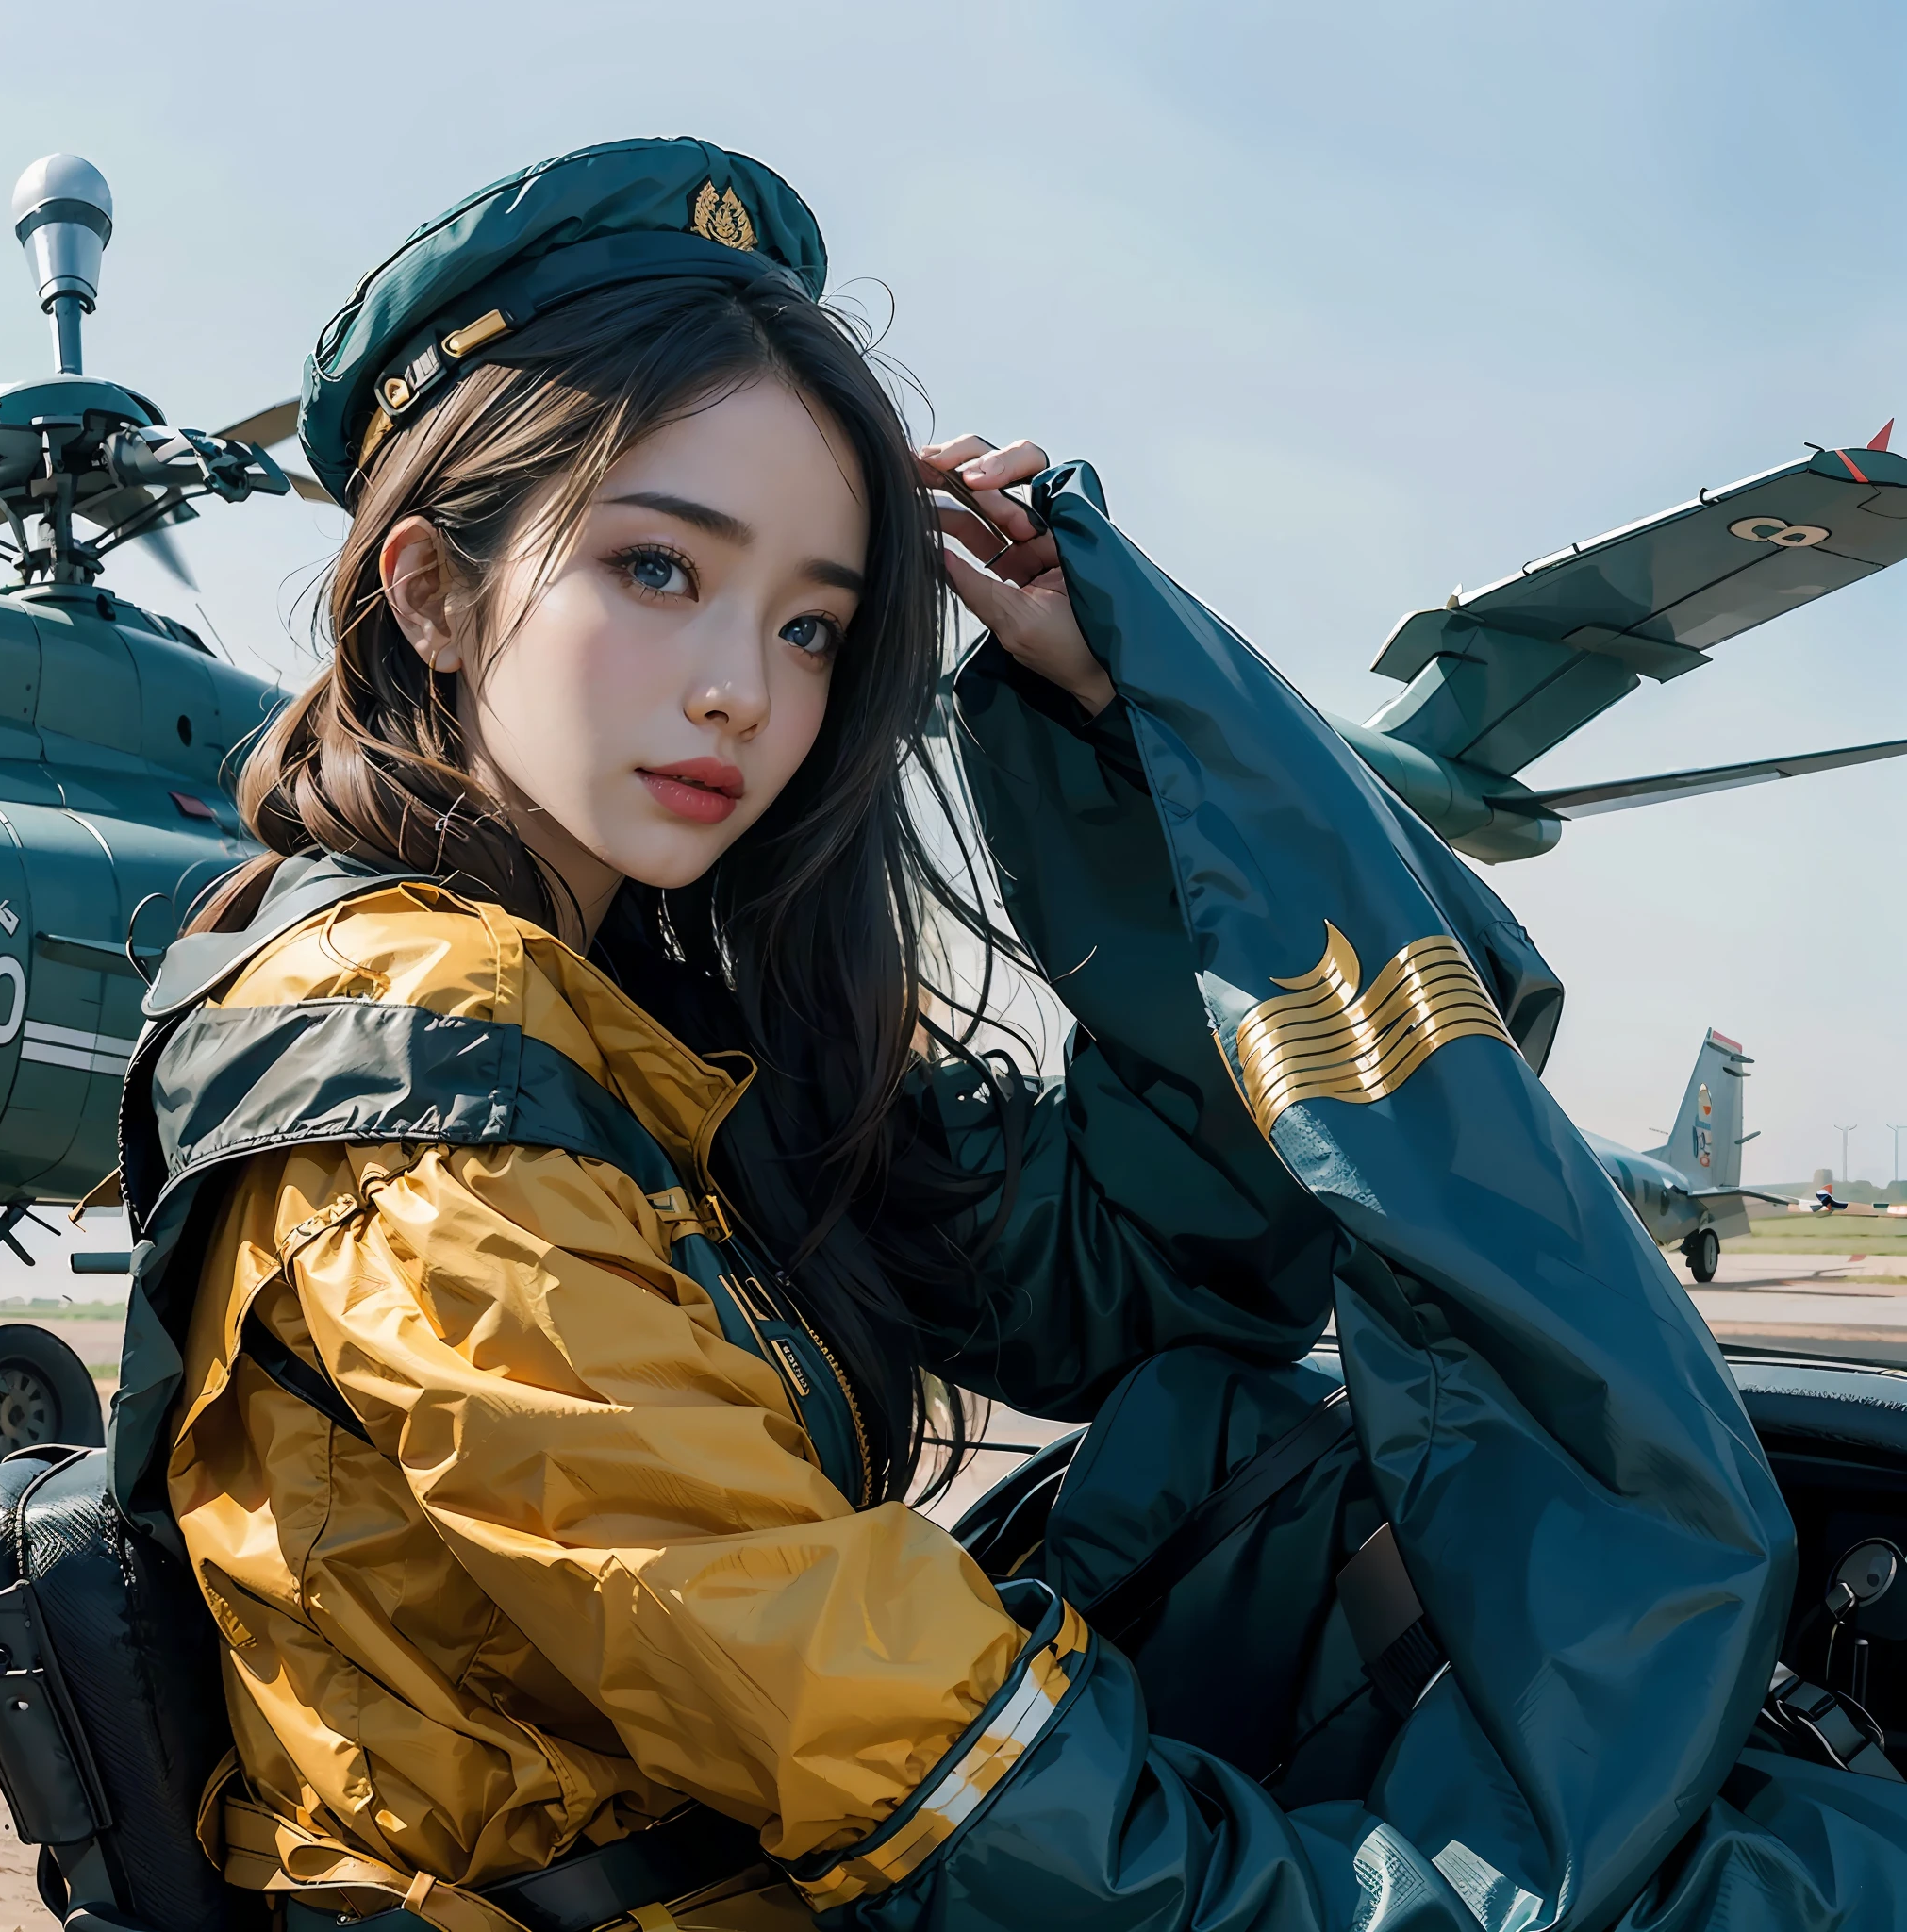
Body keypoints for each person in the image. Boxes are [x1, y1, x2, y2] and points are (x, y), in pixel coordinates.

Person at [109, 137, 1904, 1932]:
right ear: (429, 591)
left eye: (816, 622)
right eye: (659, 570)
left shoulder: (642, 1033)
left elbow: (1174, 1265)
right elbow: (927, 1760)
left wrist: (1112, 725)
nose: (747, 685)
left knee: (1259, 1456)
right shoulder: (422, 1060)